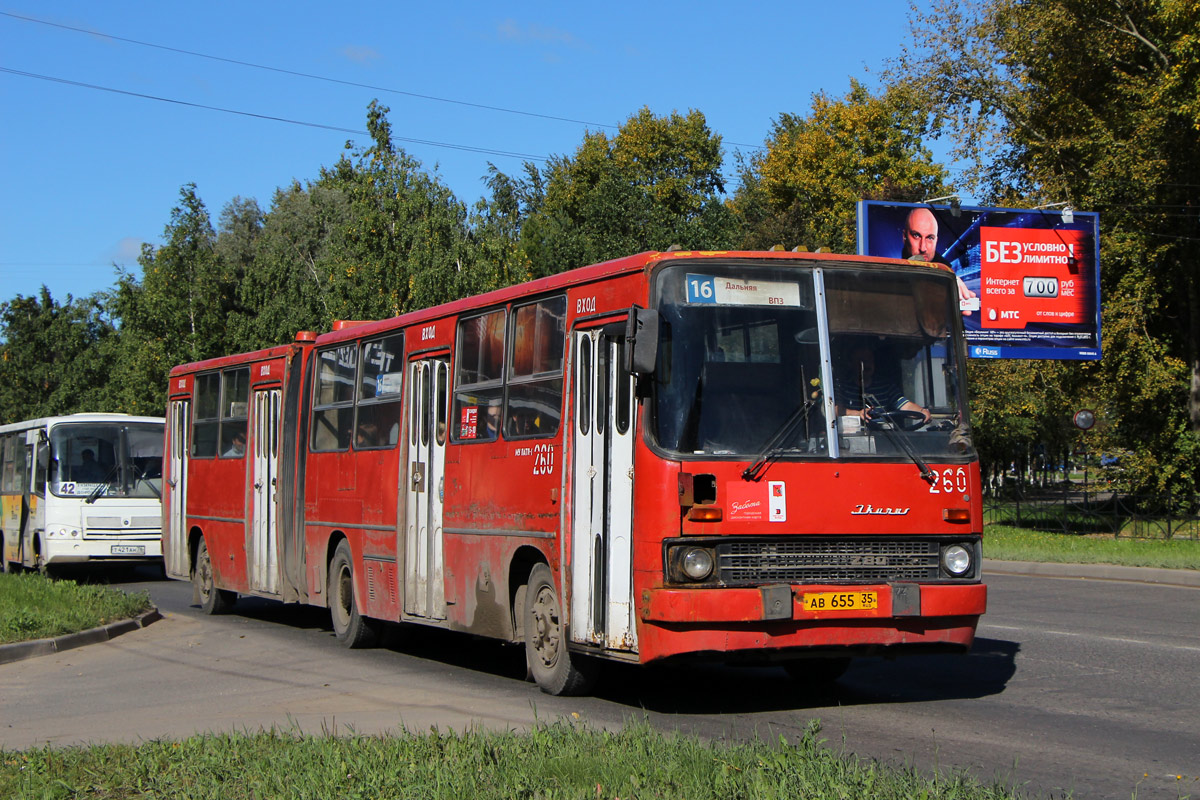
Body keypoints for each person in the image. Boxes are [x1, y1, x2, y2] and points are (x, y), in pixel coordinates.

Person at [901, 207, 977, 316]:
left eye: (930, 238)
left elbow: (965, 312)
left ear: (936, 240)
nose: (923, 248)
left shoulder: (948, 275)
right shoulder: (888, 270)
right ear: (904, 237)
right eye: (916, 236)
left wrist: (948, 280)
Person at [834, 341, 930, 424]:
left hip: (884, 439)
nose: (867, 365)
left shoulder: (885, 386)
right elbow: (836, 410)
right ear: (850, 363)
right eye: (861, 361)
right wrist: (858, 414)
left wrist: (922, 411)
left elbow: (905, 405)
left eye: (869, 360)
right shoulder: (842, 386)